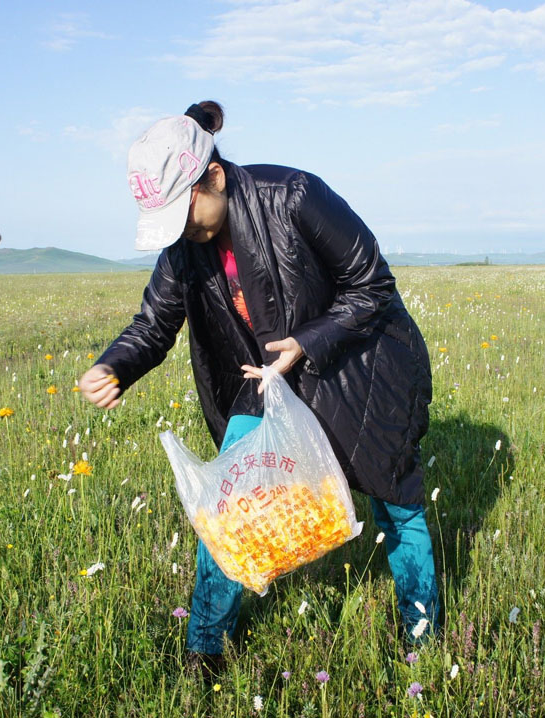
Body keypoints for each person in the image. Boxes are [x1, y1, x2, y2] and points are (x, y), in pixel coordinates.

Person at [79, 101, 437, 664]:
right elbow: (154, 323)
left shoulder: (293, 196)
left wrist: (308, 341)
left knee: (397, 505)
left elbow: (373, 285)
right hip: (265, 387)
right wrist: (114, 366)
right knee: (227, 515)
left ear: (213, 179)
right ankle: (204, 650)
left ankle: (422, 644)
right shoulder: (185, 245)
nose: (184, 234)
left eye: (185, 215)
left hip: (354, 375)